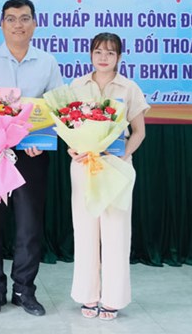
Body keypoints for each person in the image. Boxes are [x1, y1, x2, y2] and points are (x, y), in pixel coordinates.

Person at [0, 0, 63, 316]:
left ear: (34, 24)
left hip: (32, 154)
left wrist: (43, 139)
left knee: (28, 226)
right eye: (11, 19)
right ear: (2, 24)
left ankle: (24, 290)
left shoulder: (47, 62)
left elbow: (54, 108)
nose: (18, 25)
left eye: (24, 18)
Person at [68, 32, 149, 321]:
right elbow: (68, 127)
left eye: (110, 53)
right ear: (90, 54)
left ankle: (113, 298)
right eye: (98, 52)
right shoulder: (77, 86)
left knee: (116, 233)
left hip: (116, 166)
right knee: (85, 231)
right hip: (84, 166)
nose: (104, 58)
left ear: (119, 57)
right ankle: (88, 295)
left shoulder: (129, 88)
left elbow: (139, 131)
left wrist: (123, 154)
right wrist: (72, 148)